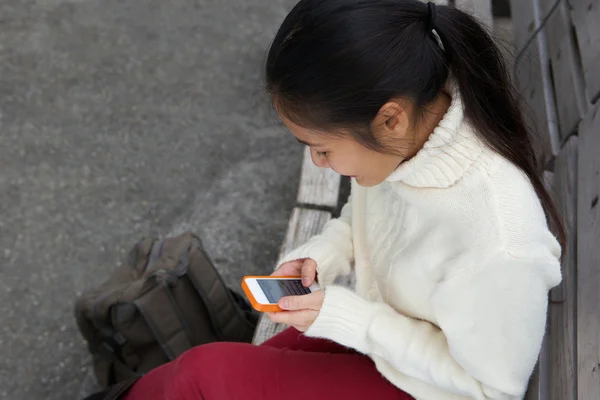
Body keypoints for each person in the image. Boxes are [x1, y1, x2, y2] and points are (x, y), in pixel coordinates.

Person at [123, 0, 564, 399]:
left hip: (437, 387)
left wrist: (354, 320)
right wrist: (327, 253)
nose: (317, 162)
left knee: (202, 377)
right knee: (208, 374)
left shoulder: (500, 240)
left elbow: (492, 389)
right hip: (392, 337)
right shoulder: (412, 133)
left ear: (390, 118)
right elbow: (372, 212)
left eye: (322, 147)